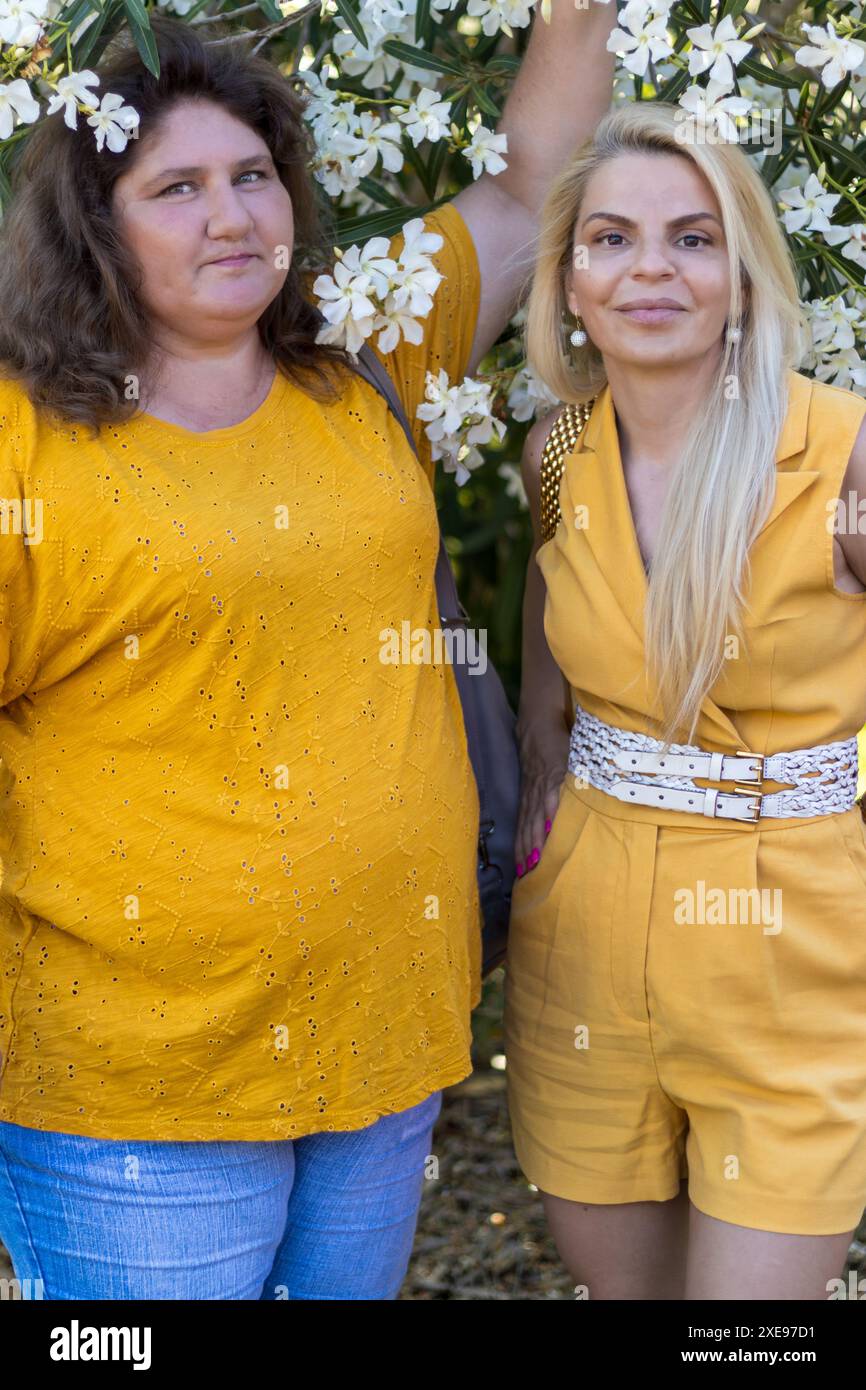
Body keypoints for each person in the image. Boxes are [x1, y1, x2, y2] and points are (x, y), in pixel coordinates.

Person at [0, 9, 617, 1300]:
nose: (231, 213)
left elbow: (527, 191)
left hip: (383, 1044)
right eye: (176, 186)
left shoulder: (363, 348)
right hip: (136, 1096)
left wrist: (576, 15)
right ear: (94, 225)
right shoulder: (24, 441)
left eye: (253, 174)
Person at [505, 99, 866, 1301]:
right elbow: (554, 593)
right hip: (586, 926)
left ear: (744, 277)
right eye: (609, 239)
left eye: (692, 238)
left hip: (792, 932)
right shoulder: (557, 449)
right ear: (565, 282)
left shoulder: (844, 454)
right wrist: (538, 744)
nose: (648, 267)